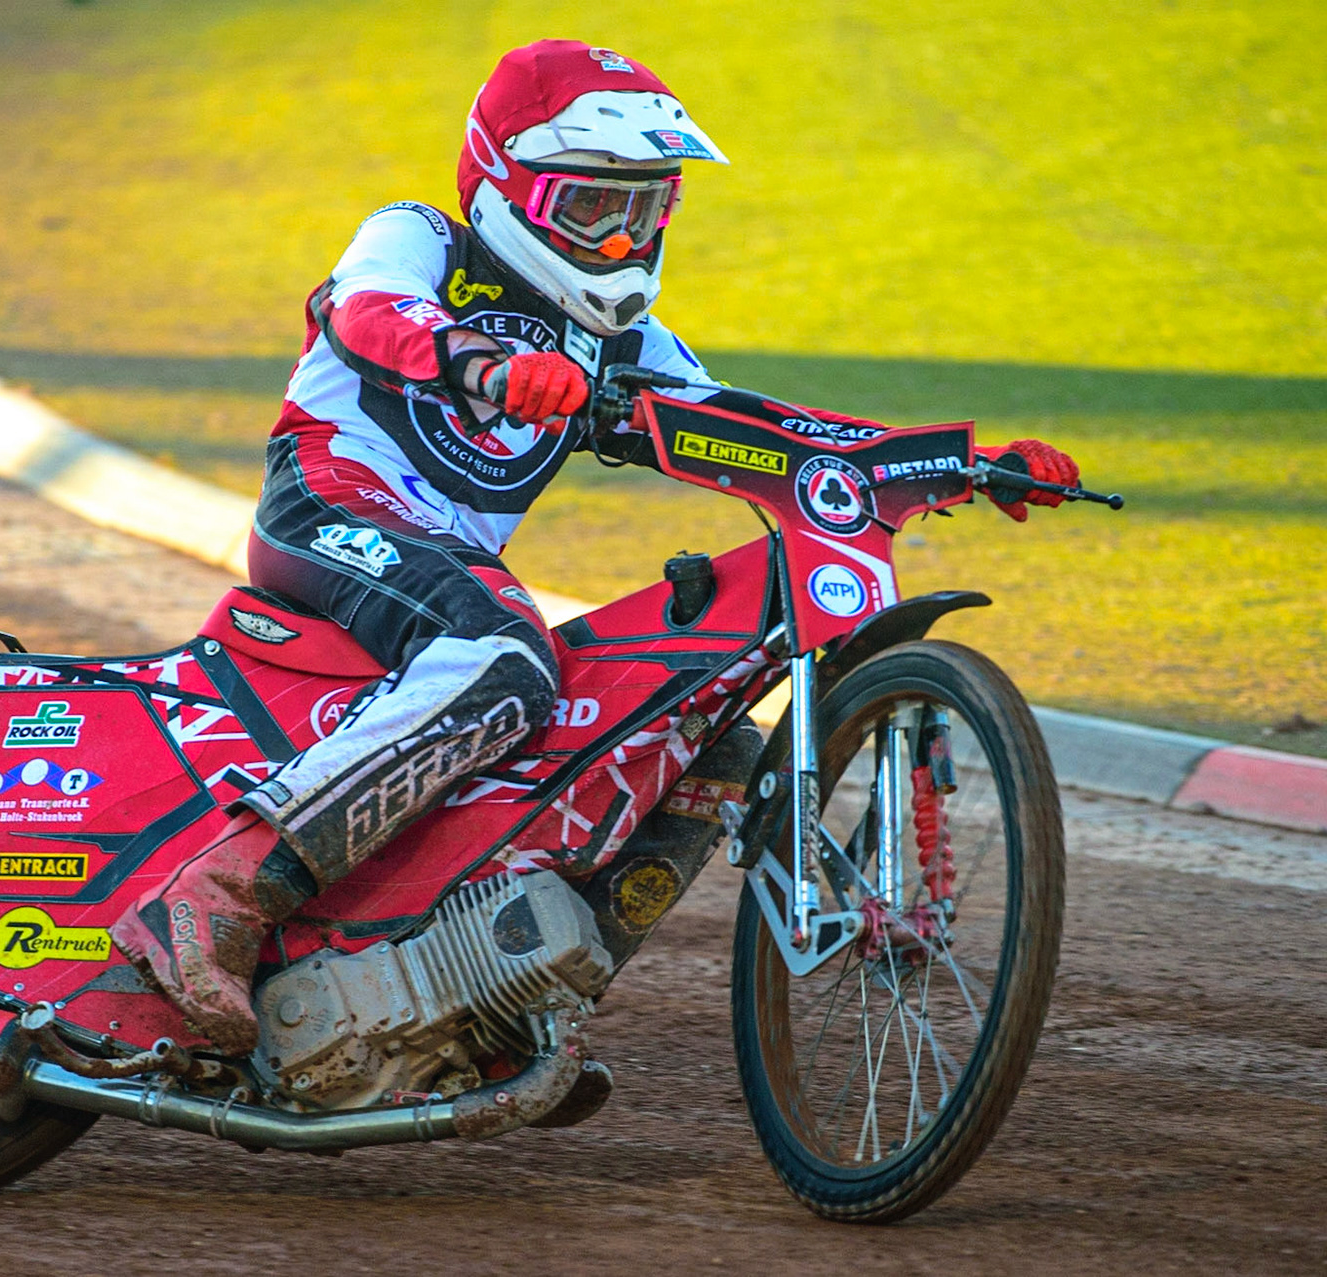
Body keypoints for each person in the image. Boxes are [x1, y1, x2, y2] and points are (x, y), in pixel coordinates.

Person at [111, 40, 1078, 1053]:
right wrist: (478, 360)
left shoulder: (623, 342)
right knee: (506, 656)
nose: (621, 243)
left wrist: (956, 462)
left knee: (714, 736)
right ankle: (222, 890)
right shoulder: (420, 239)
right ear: (505, 184)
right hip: (328, 509)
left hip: (451, 566)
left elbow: (760, 429)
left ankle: (495, 1008)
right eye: (589, 211)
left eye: (644, 212)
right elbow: (368, 313)